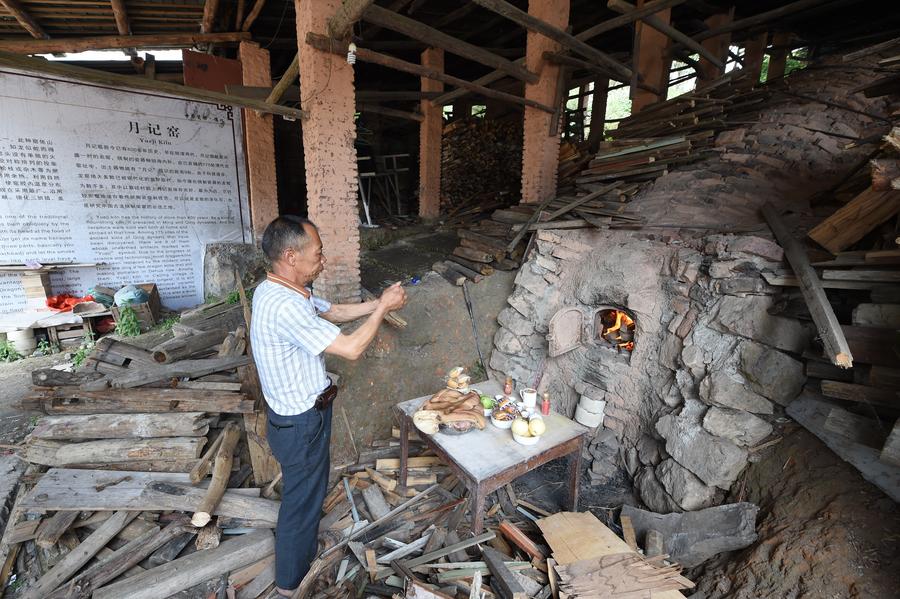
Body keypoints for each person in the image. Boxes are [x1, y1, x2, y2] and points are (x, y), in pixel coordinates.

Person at [250, 215, 407, 597]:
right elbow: (351, 349)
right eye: (317, 254)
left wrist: (377, 302)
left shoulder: (279, 289)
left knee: (306, 494)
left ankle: (298, 562)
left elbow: (332, 311)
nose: (323, 260)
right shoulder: (285, 306)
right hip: (301, 423)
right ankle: (290, 584)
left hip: (302, 417)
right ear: (291, 256)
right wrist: (384, 310)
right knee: (301, 505)